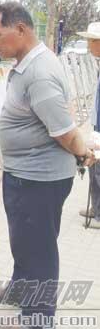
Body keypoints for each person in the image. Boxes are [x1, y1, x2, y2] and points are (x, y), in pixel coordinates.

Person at [0, 1, 95, 329]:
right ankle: (20, 289)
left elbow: (63, 131)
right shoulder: (30, 64)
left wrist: (83, 153)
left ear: (20, 29)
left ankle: (39, 317)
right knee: (25, 241)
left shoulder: (40, 72)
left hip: (38, 180)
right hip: (25, 175)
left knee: (39, 249)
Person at [77, 22, 100, 229]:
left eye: (90, 41)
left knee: (99, 171)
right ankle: (96, 207)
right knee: (94, 169)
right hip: (97, 128)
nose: (88, 45)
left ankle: (99, 214)